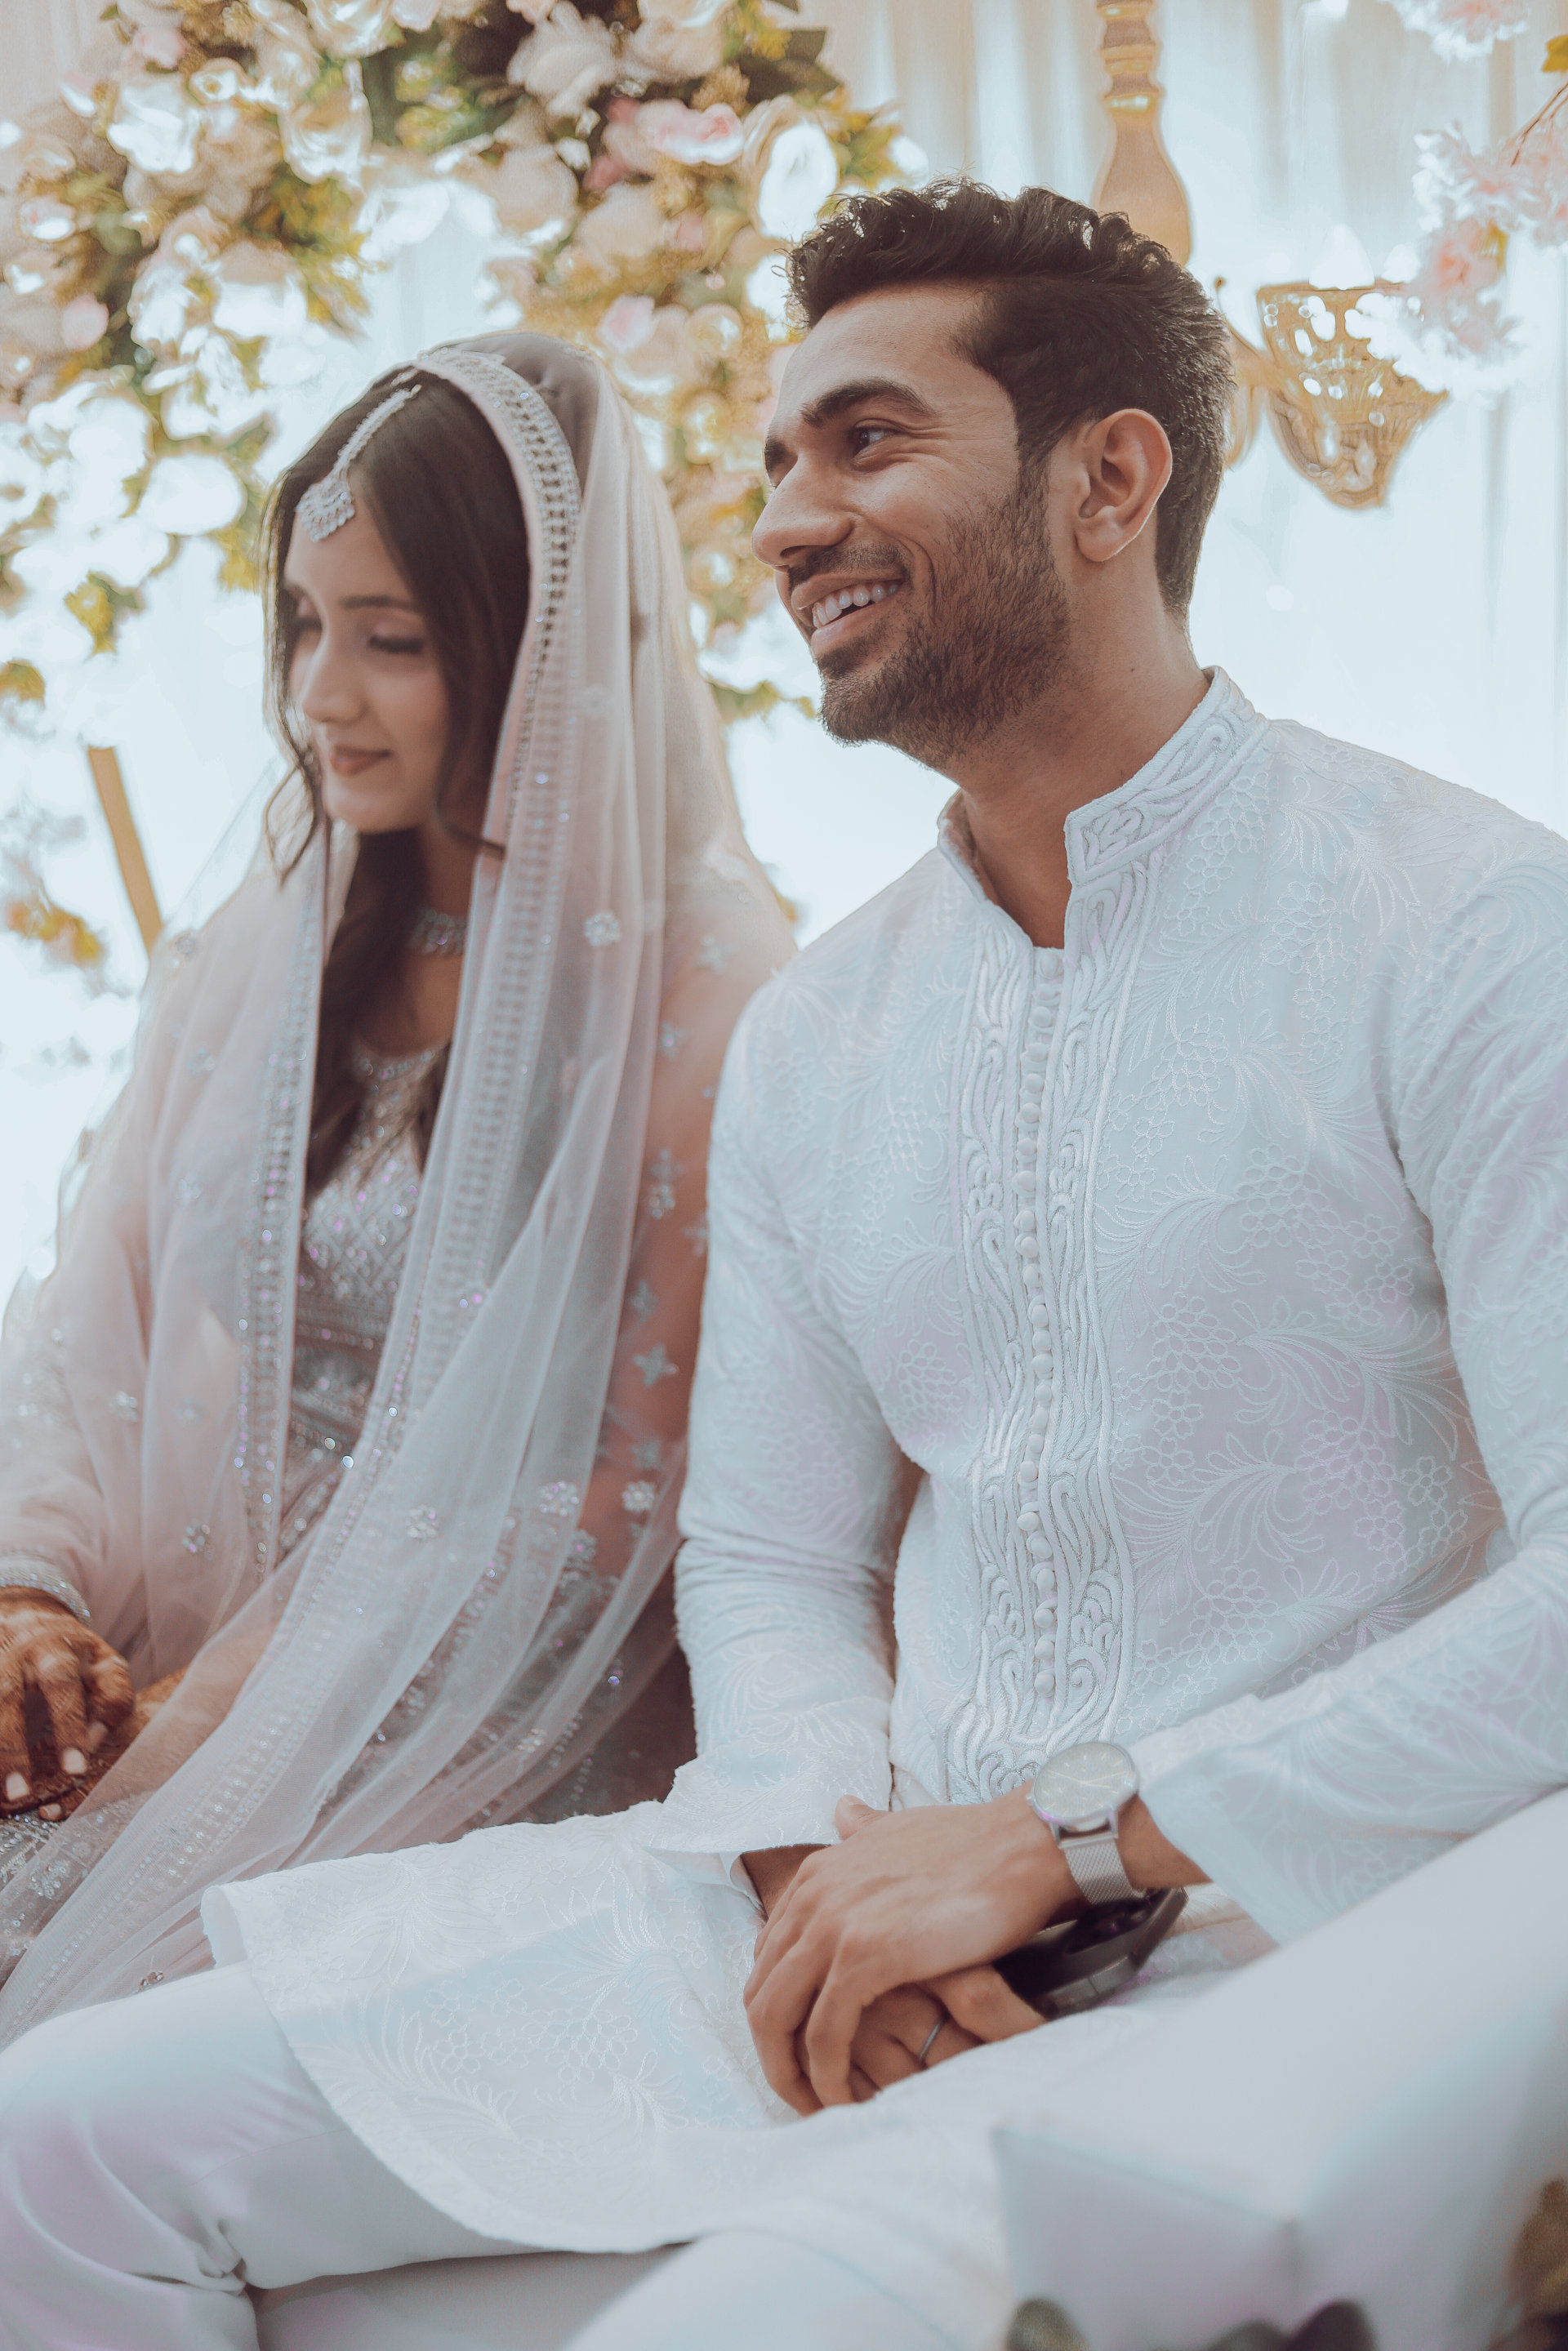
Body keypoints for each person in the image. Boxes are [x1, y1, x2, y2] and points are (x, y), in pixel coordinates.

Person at [4, 180, 1568, 2351]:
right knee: (51, 2143)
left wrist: (1078, 1840)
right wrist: (815, 1855)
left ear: (1113, 476)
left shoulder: (1469, 930)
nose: (785, 522)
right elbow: (762, 1557)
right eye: (770, 466)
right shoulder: (828, 1032)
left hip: (1260, 1938)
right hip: (826, 1913)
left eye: (865, 442)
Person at [0, 332, 789, 2037]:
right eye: (302, 625)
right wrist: (34, 1597)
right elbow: (92, 1317)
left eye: (392, 643)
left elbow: (616, 1503)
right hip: (158, 1653)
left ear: (536, 649)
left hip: (457, 1714)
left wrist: (219, 1726)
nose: (319, 697)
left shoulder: (708, 998)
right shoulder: (264, 947)